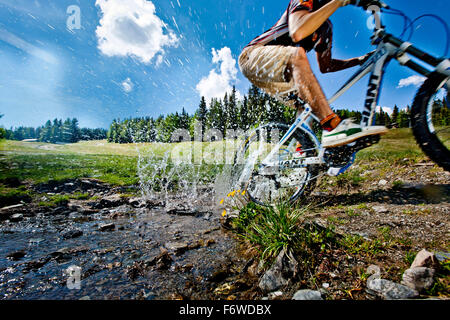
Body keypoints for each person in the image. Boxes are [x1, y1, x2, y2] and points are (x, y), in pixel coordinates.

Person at [238, 0, 388, 148]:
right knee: (296, 55)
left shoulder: (325, 27)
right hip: (252, 57)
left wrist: (359, 60)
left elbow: (326, 66)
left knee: (308, 104)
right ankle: (332, 127)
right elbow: (298, 32)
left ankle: (303, 150)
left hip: (280, 72)